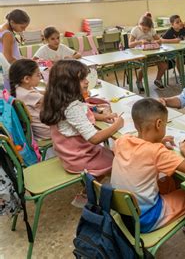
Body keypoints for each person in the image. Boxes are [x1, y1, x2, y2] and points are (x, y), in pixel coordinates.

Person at [111, 98, 185, 250]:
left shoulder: (122, 140)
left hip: (124, 212)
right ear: (159, 124)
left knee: (170, 179)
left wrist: (157, 141)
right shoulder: (157, 152)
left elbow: (139, 155)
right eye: (165, 124)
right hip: (147, 219)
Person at [40, 60, 124, 206]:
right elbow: (94, 138)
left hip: (67, 154)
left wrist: (103, 117)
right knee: (120, 159)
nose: (86, 82)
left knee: (111, 153)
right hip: (80, 157)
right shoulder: (72, 106)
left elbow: (83, 113)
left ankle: (87, 192)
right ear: (67, 83)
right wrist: (117, 125)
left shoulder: (59, 100)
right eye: (82, 79)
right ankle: (113, 198)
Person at [9, 59, 50, 141]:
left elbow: (42, 93)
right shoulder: (28, 94)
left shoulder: (19, 89)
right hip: (46, 131)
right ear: (26, 79)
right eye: (38, 75)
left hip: (39, 129)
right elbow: (54, 100)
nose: (40, 77)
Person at [156, 14, 185, 89]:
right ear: (172, 24)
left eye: (180, 21)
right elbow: (161, 40)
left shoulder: (183, 29)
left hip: (184, 51)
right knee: (178, 57)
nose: (180, 23)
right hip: (174, 53)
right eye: (177, 22)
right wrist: (173, 40)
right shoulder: (170, 31)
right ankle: (181, 77)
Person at [128, 14, 167, 92]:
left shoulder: (152, 30)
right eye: (144, 29)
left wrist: (154, 41)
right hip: (139, 54)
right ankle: (139, 81)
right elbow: (130, 44)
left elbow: (160, 41)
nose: (146, 31)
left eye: (148, 30)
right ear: (140, 25)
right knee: (144, 66)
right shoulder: (135, 30)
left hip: (150, 52)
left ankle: (158, 80)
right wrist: (140, 42)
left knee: (164, 65)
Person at [0, 9, 30, 90]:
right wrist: (24, 65)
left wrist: (22, 58)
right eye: (22, 27)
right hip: (9, 70)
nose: (23, 30)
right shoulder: (7, 34)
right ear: (12, 22)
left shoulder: (2, 28)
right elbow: (8, 58)